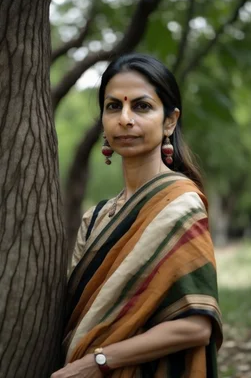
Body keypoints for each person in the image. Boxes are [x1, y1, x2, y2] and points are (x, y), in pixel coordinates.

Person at [51, 53, 223, 378]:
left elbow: (196, 327)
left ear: (170, 120)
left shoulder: (180, 204)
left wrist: (97, 362)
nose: (125, 119)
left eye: (141, 106)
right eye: (113, 106)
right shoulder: (95, 218)